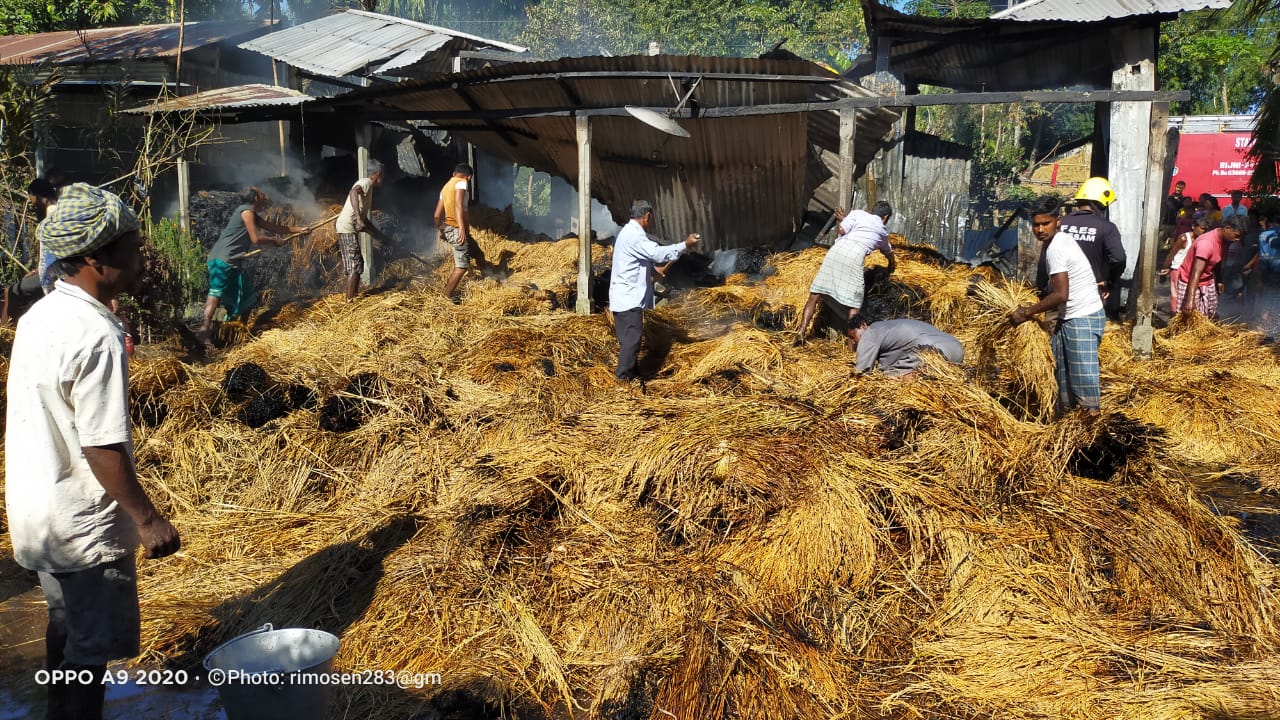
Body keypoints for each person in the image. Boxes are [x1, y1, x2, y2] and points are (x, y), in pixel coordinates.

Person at [4, 183, 181, 720]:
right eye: (130, 248)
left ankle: (57, 710)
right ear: (95, 259)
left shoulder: (41, 314)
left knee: (65, 627)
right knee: (89, 651)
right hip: (82, 526)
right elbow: (102, 444)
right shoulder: (94, 334)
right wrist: (147, 519)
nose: (140, 257)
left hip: (40, 513)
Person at [1010, 194, 1105, 417]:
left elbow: (1061, 294)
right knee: (1063, 377)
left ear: (1058, 221)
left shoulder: (1057, 248)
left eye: (1046, 223)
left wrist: (1026, 312)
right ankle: (1068, 425)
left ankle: (1092, 432)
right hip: (1069, 318)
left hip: (1082, 317)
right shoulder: (1055, 241)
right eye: (1036, 224)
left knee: (1084, 385)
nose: (1040, 229)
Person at [197, 187, 306, 349]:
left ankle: (240, 334)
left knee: (247, 298)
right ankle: (203, 332)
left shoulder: (252, 214)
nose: (264, 195)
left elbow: (274, 227)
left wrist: (300, 230)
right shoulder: (246, 213)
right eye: (261, 194)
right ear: (255, 198)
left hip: (231, 262)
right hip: (222, 259)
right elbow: (255, 238)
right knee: (215, 294)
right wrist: (274, 241)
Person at [609, 199, 699, 381]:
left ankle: (633, 376)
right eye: (652, 219)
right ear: (647, 216)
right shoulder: (635, 236)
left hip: (622, 297)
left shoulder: (627, 233)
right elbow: (657, 253)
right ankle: (623, 380)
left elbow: (635, 260)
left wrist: (652, 270)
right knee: (631, 342)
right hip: (628, 299)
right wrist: (685, 245)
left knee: (629, 341)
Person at [796, 200, 896, 350]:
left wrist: (844, 220)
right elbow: (888, 252)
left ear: (872, 210)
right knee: (854, 308)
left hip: (835, 251)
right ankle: (850, 352)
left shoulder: (857, 214)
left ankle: (800, 332)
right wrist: (891, 265)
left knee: (815, 295)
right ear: (885, 217)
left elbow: (841, 231)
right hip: (854, 257)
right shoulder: (882, 231)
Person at [1, 177, 64, 323]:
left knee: (11, 292)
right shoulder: (59, 209)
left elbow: (55, 251)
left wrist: (45, 272)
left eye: (33, 200)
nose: (34, 205)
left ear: (40, 197)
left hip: (55, 275)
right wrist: (38, 269)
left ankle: (4, 332)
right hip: (53, 271)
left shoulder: (52, 215)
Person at [1063, 177, 1126, 320]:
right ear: (1101, 204)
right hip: (1089, 295)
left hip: (1059, 291)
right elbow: (1119, 258)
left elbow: (1045, 256)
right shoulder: (1106, 227)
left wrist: (1042, 288)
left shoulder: (1061, 223)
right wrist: (1109, 282)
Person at [335, 160, 386, 302]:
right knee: (355, 266)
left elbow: (365, 222)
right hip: (347, 227)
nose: (383, 178)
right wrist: (358, 218)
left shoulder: (368, 190)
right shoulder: (366, 182)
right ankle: (350, 300)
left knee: (357, 264)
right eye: (383, 175)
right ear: (377, 175)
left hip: (347, 228)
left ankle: (353, 296)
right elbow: (353, 192)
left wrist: (380, 237)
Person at [1175, 214, 1244, 319]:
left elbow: (1217, 259)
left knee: (1210, 314)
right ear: (1227, 228)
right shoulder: (1206, 243)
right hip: (1190, 282)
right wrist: (1190, 299)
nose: (1238, 239)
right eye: (1237, 235)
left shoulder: (1226, 240)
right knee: (1189, 317)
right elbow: (1196, 271)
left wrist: (1219, 280)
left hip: (1208, 280)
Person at [851, 316, 964, 377]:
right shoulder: (889, 329)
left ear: (863, 326)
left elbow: (861, 372)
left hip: (931, 353)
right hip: (956, 351)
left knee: (889, 380)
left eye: (852, 337)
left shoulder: (872, 331)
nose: (854, 342)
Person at [436, 163, 475, 301]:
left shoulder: (445, 187)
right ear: (469, 177)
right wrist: (462, 229)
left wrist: (441, 230)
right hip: (457, 228)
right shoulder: (462, 183)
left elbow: (436, 215)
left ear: (454, 173)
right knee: (461, 267)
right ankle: (446, 298)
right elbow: (458, 205)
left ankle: (491, 275)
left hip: (448, 228)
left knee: (476, 253)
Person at [1160, 217, 1206, 312]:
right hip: (1178, 269)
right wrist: (1165, 268)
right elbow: (1172, 253)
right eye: (1201, 228)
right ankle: (1174, 315)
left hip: (1190, 270)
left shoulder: (1201, 240)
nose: (1203, 231)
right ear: (1194, 227)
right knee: (1176, 294)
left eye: (1205, 229)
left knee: (1189, 293)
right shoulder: (1184, 238)